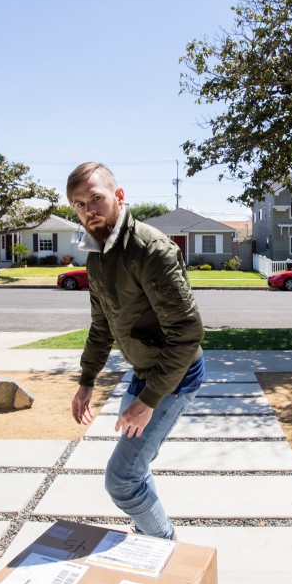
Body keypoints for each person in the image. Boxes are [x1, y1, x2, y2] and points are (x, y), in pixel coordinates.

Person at [67, 162, 205, 541]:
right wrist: (86, 382)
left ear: (119, 196)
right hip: (143, 370)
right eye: (79, 205)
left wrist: (148, 400)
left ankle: (164, 545)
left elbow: (188, 334)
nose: (88, 210)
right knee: (135, 469)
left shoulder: (150, 250)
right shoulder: (97, 255)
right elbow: (101, 325)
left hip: (174, 377)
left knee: (123, 480)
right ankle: (150, 531)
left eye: (96, 199)